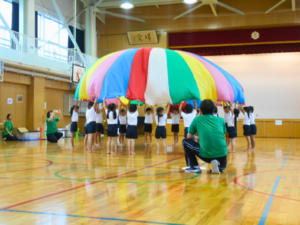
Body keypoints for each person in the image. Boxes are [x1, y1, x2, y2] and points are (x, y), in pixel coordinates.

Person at [182, 99, 228, 174]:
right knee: (219, 153)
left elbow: (189, 137)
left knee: (185, 141)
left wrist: (197, 138)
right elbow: (219, 135)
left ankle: (194, 166)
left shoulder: (197, 119)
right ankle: (220, 165)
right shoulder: (221, 120)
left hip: (207, 156)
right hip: (223, 156)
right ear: (214, 109)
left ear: (200, 110)